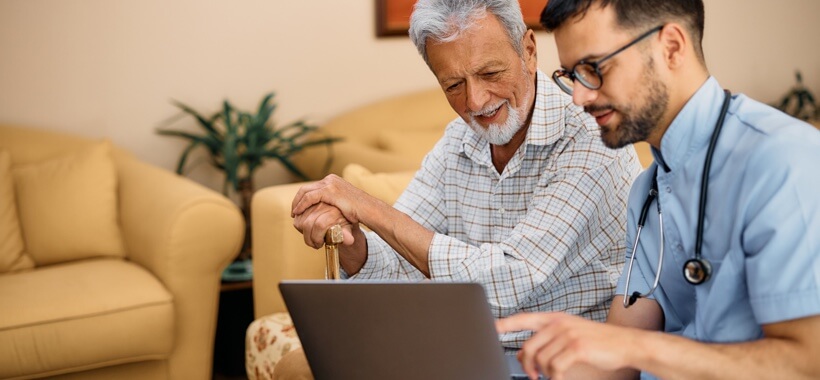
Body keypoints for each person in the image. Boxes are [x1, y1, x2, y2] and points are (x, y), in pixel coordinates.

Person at [276, 0, 642, 377]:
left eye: (490, 72)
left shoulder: (591, 138)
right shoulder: (458, 141)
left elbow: (507, 281)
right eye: (453, 84)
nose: (475, 102)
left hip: (563, 364)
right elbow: (399, 262)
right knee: (299, 367)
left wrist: (368, 208)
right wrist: (355, 244)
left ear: (529, 50)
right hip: (466, 348)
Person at [496, 1, 820, 379]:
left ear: (671, 47)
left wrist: (632, 348)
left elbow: (807, 364)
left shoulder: (783, 160)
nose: (579, 97)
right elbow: (618, 362)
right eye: (572, 75)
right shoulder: (647, 192)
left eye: (594, 68)